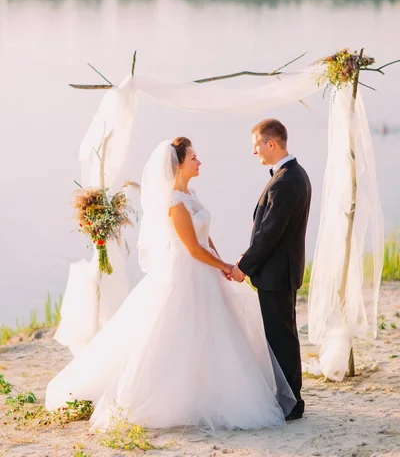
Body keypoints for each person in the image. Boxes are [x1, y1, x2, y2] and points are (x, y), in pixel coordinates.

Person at [46, 137, 295, 431]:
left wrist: (219, 261)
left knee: (216, 334)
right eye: (193, 158)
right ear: (178, 165)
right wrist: (225, 266)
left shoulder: (191, 194)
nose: (199, 162)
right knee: (181, 335)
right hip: (187, 274)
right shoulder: (175, 203)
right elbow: (192, 248)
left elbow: (205, 237)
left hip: (206, 272)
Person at [231, 119, 312, 420]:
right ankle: (290, 398)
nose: (255, 152)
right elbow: (272, 232)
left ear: (271, 144)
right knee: (283, 336)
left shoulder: (286, 181)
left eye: (256, 146)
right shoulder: (293, 175)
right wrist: (247, 256)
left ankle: (290, 403)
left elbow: (270, 232)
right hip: (280, 270)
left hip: (277, 274)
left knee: (280, 338)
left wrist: (243, 266)